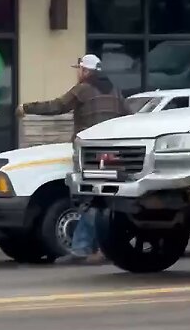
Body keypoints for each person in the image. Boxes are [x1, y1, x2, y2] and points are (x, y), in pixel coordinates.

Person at [17, 54, 131, 264]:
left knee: (89, 201)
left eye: (79, 69)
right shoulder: (116, 92)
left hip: (90, 153)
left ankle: (82, 248)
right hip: (114, 155)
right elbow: (129, 117)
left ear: (86, 71)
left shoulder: (83, 89)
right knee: (107, 202)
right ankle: (102, 248)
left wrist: (27, 108)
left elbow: (57, 106)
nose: (78, 73)